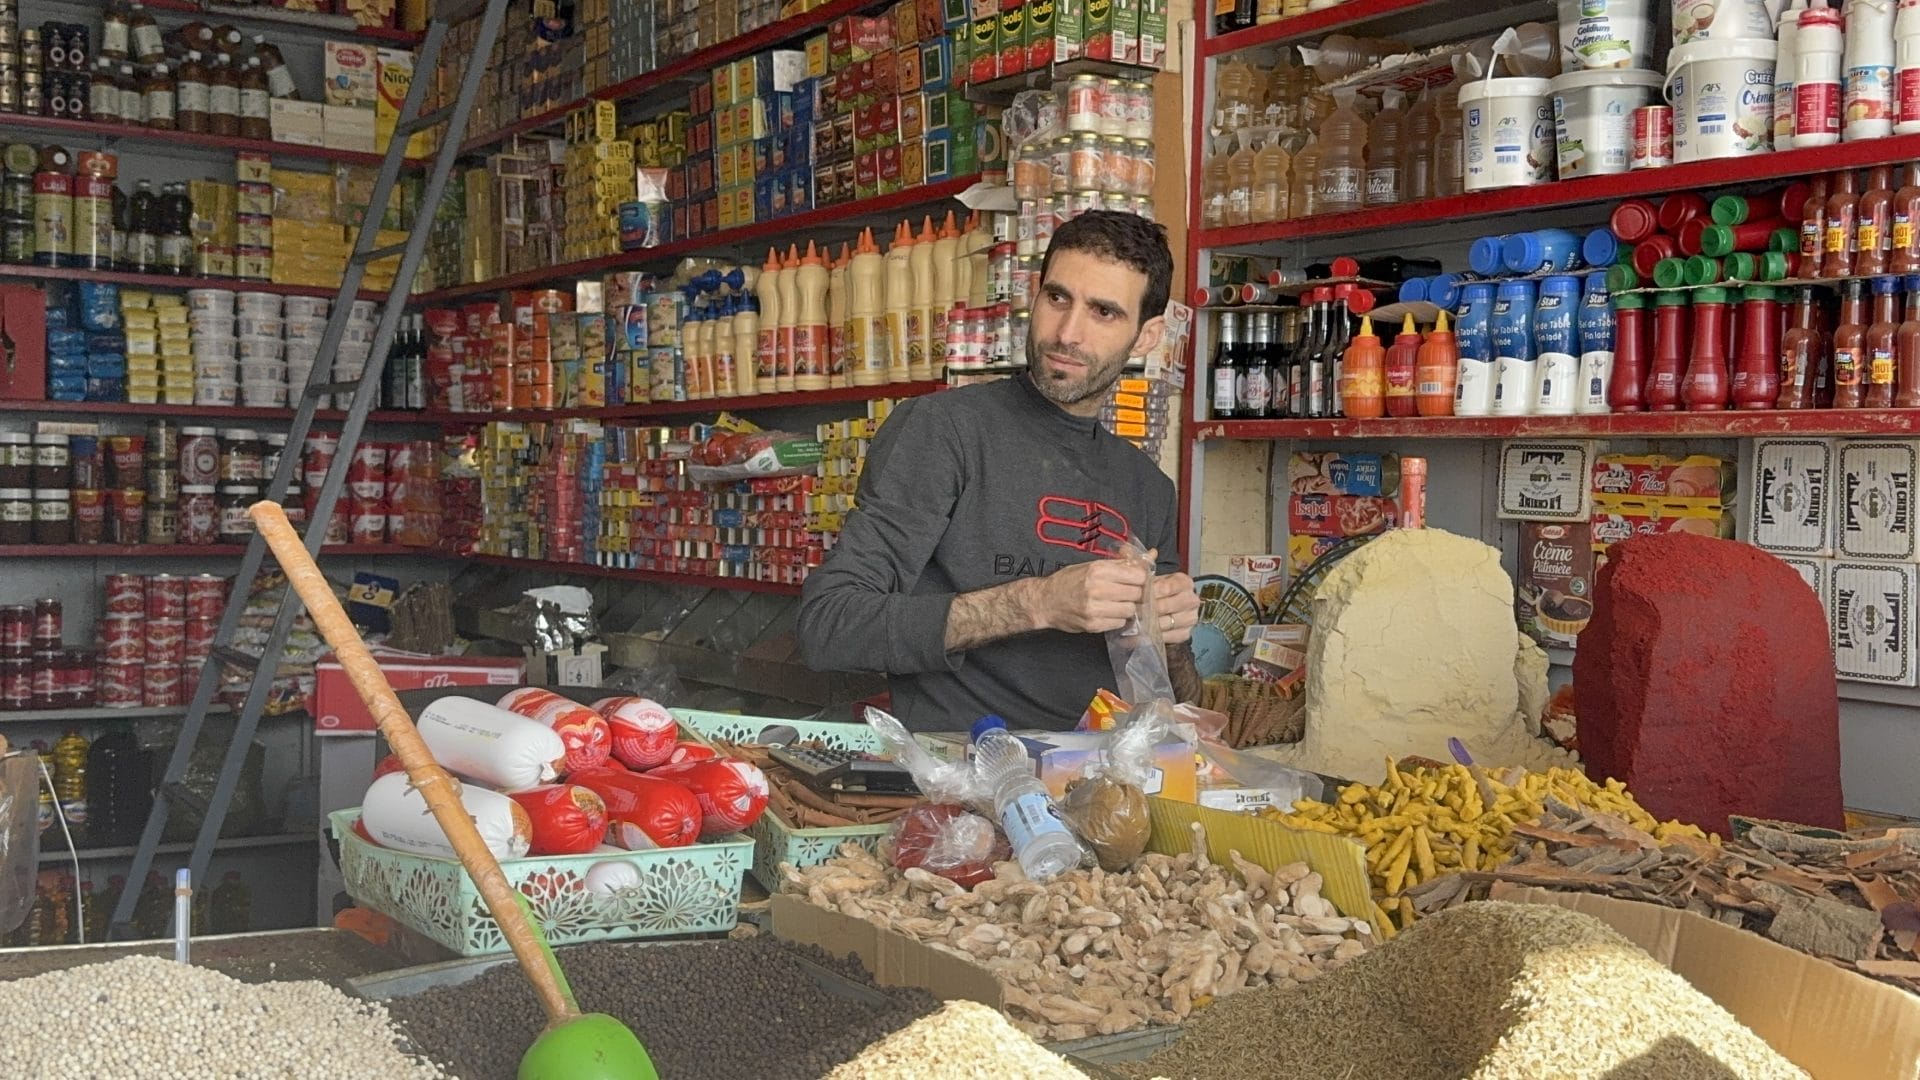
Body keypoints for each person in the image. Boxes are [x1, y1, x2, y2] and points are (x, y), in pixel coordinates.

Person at [797, 211, 1202, 732]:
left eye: (1103, 312)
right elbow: (828, 625)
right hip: (965, 781)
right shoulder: (944, 430)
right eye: (1058, 298)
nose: (1068, 333)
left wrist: (1173, 638)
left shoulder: (1148, 487)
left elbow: (1180, 704)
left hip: (1102, 785)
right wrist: (1036, 602)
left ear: (1146, 337)